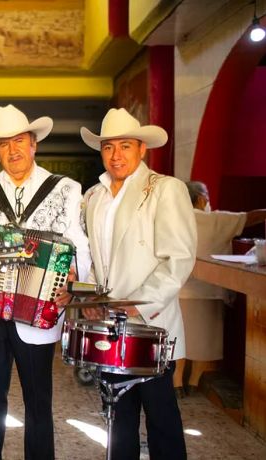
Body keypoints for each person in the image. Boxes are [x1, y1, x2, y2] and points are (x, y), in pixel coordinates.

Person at [0, 104, 91, 460]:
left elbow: (78, 242)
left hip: (38, 307)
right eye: (4, 144)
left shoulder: (65, 188)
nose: (12, 150)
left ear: (34, 144)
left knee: (37, 400)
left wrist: (75, 278)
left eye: (19, 141)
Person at [80, 108, 197, 459]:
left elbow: (179, 259)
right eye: (109, 147)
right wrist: (87, 294)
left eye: (125, 146)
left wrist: (138, 302)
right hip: (110, 329)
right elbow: (93, 261)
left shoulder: (164, 189)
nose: (116, 156)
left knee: (162, 419)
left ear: (142, 149)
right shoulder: (93, 198)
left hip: (151, 326)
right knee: (118, 420)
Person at [174, 181, 266, 396]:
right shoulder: (214, 219)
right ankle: (194, 382)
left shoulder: (174, 218)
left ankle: (176, 382)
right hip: (207, 291)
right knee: (204, 340)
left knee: (178, 338)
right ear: (201, 199)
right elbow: (248, 217)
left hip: (177, 290)